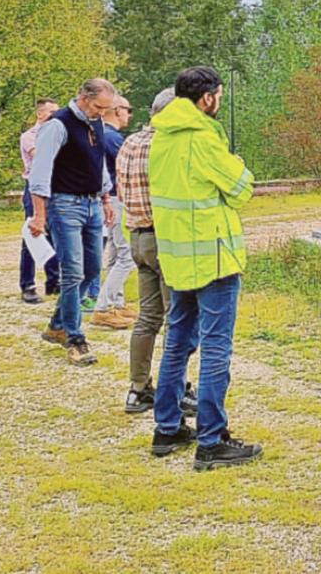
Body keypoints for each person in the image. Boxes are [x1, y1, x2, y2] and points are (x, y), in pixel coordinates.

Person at [148, 66, 261, 470]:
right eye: (219, 97)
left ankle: (167, 427)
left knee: (177, 342)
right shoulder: (203, 138)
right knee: (215, 348)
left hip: (178, 259)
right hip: (214, 258)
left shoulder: (161, 138)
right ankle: (212, 440)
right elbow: (241, 188)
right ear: (207, 98)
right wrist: (238, 164)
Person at [115, 87, 198, 418]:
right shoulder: (165, 144)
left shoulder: (129, 143)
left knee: (148, 318)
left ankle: (138, 388)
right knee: (177, 318)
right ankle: (176, 389)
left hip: (138, 236)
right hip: (165, 238)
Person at [27, 79, 117, 366]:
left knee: (92, 269)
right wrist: (39, 214)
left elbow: (99, 163)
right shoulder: (57, 125)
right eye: (98, 107)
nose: (102, 113)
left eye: (106, 109)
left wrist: (106, 198)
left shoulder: (96, 122)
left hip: (92, 203)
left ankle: (57, 325)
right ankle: (75, 339)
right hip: (65, 204)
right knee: (73, 272)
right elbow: (40, 172)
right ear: (84, 98)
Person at [90, 96, 137, 330]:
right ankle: (103, 307)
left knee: (116, 253)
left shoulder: (101, 134)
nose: (130, 115)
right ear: (117, 110)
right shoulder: (112, 138)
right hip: (118, 198)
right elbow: (130, 167)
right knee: (127, 254)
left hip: (109, 199)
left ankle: (117, 303)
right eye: (129, 110)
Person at [18, 98, 60, 303]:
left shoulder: (58, 134)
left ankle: (54, 280)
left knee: (55, 234)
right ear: (40, 114)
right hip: (35, 187)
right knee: (33, 234)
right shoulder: (29, 137)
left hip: (55, 187)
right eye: (51, 112)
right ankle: (28, 284)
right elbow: (44, 157)